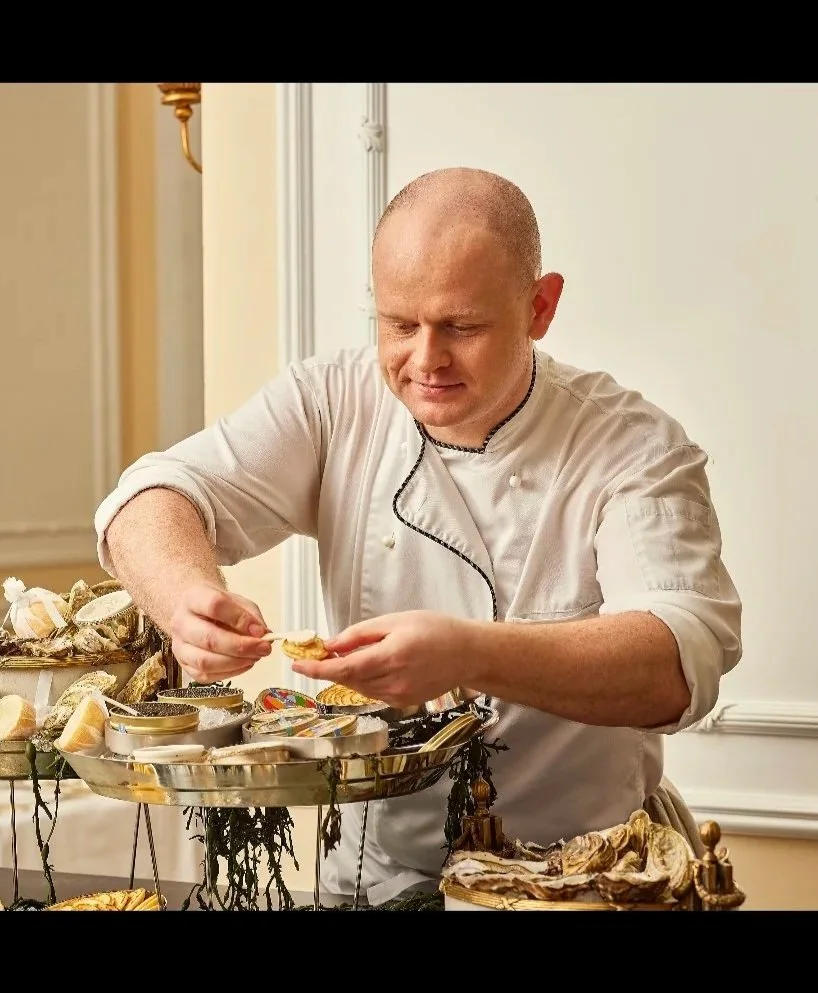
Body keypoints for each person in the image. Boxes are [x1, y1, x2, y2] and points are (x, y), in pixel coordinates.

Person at [94, 166, 743, 904]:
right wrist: (187, 599)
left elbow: (678, 660)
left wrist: (468, 652)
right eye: (399, 324)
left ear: (540, 305)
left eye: (462, 326)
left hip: (584, 877)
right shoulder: (333, 401)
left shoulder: (632, 445)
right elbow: (150, 497)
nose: (425, 358)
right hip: (376, 875)